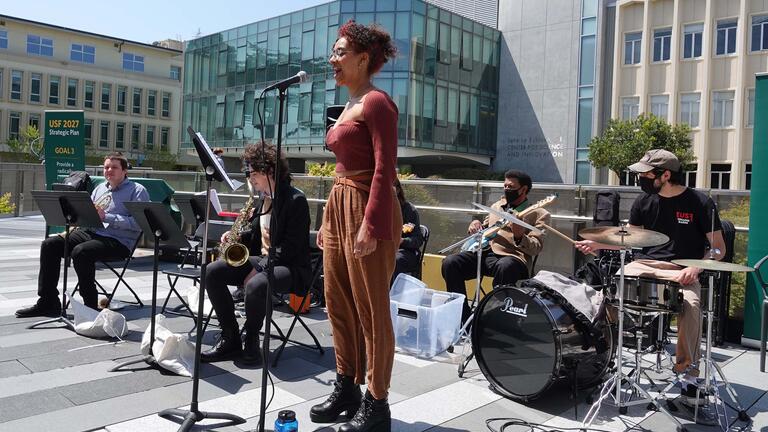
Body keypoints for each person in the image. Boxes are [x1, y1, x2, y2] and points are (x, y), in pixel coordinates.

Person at [574, 149, 726, 408]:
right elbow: (628, 240)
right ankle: (606, 359)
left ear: (665, 175)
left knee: (691, 306)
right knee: (607, 296)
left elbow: (719, 248)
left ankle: (688, 376)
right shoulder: (644, 202)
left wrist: (697, 268)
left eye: (645, 174)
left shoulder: (700, 203)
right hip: (645, 265)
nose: (640, 178)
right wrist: (598, 245)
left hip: (683, 269)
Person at [311, 20, 400, 432]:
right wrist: (328, 221)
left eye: (340, 52)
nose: (333, 59)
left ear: (363, 59)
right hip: (338, 205)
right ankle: (346, 383)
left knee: (372, 311)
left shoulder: (377, 102)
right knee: (337, 302)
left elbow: (385, 168)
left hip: (368, 207)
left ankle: (376, 403)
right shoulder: (348, 104)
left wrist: (370, 224)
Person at [200, 143, 311, 366]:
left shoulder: (295, 200)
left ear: (269, 170)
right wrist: (238, 237)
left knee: (256, 285)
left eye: (252, 173)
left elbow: (291, 248)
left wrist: (258, 268)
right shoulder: (263, 199)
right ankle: (230, 337)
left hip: (291, 267)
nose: (250, 179)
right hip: (265, 259)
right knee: (212, 271)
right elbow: (258, 236)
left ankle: (251, 338)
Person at [16, 152, 149, 317]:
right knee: (50, 245)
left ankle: (90, 306)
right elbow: (90, 215)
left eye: (114, 167)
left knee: (81, 251)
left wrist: (107, 216)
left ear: (124, 171)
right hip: (91, 233)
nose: (109, 170)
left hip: (118, 241)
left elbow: (140, 224)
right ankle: (48, 301)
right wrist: (77, 215)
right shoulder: (100, 188)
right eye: (106, 167)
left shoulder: (137, 191)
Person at [442, 170, 550, 323]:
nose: (506, 189)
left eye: (511, 186)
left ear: (524, 189)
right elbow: (487, 227)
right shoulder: (497, 206)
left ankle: (494, 319)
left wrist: (520, 236)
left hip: (513, 257)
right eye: (504, 186)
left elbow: (536, 247)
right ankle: (462, 316)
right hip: (485, 253)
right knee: (450, 263)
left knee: (505, 266)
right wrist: (475, 224)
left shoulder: (539, 213)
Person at [391, 178, 424, 285]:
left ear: (398, 190)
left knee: (394, 260)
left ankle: (390, 297)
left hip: (406, 252)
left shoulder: (409, 210)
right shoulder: (379, 208)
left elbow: (418, 240)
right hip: (385, 249)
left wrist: (402, 241)